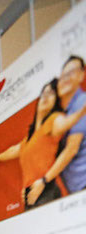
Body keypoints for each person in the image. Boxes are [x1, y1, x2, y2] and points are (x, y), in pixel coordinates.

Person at [0, 78, 86, 209]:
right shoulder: (31, 137)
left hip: (45, 189)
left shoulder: (53, 120)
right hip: (30, 196)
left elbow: (65, 123)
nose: (46, 96)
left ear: (55, 100)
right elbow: (15, 150)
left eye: (51, 93)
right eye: (44, 93)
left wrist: (81, 112)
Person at [54, 56, 86, 194]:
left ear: (81, 75)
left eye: (71, 73)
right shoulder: (64, 113)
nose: (66, 79)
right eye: (63, 75)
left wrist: (44, 181)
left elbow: (71, 149)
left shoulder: (81, 101)